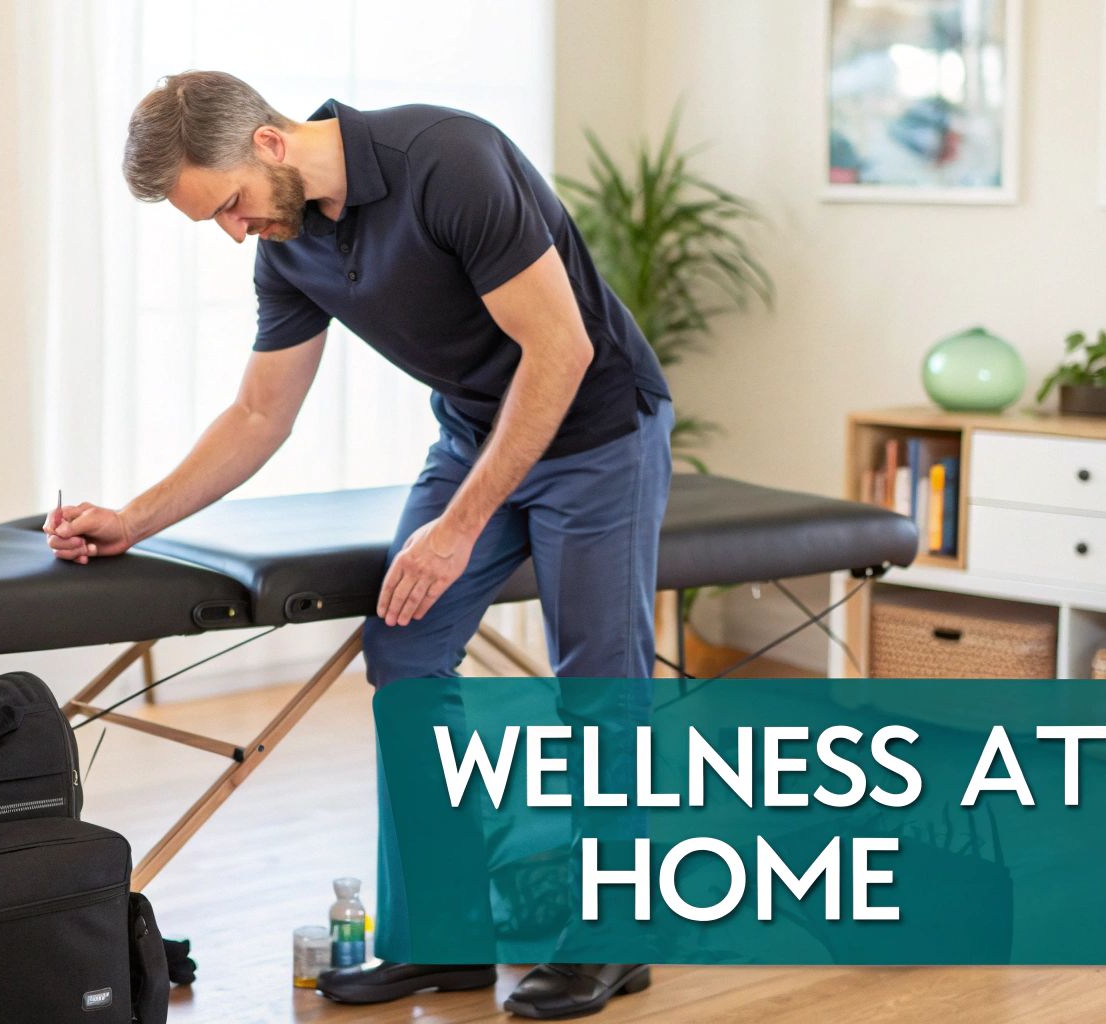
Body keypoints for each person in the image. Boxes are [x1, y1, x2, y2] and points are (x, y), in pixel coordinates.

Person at [46, 70, 672, 1019]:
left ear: (266, 143)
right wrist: (133, 518)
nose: (234, 232)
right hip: (476, 434)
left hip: (595, 432)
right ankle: (448, 937)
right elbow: (261, 412)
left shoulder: (447, 162)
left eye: (228, 207)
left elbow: (564, 351)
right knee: (405, 649)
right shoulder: (287, 246)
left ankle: (612, 939)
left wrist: (456, 529)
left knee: (597, 678)